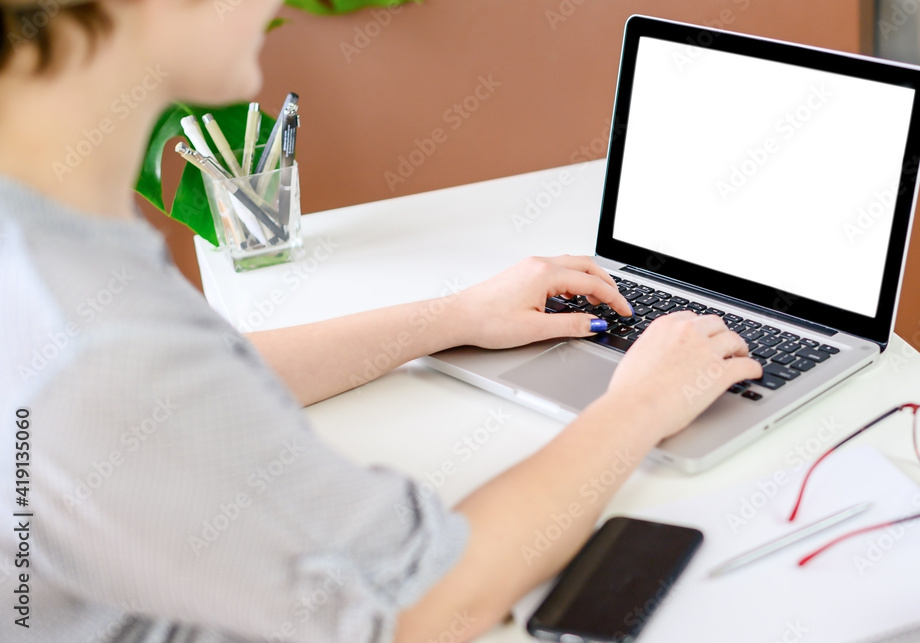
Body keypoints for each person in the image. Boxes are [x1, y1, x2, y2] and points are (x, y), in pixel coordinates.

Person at [0, 1, 761, 641]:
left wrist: (453, 316)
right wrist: (638, 406)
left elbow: (187, 385)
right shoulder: (93, 344)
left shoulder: (44, 244)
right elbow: (426, 603)